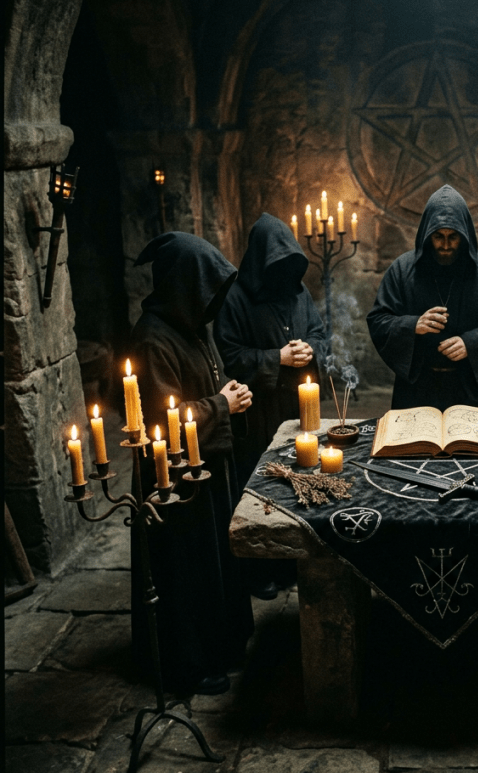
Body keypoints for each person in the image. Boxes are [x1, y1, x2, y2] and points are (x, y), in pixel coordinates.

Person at [129, 231, 254, 695]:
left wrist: (229, 395)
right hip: (174, 479)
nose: (212, 302)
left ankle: (221, 643)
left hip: (208, 465)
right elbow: (162, 421)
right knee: (184, 569)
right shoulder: (152, 339)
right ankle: (188, 662)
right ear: (183, 285)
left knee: (213, 561)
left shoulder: (192, 327)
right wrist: (222, 405)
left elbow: (206, 383)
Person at [214, 212, 328, 599]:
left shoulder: (298, 291)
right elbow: (229, 355)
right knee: (262, 488)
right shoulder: (235, 297)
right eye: (275, 265)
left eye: (288, 264)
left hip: (296, 407)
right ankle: (259, 571)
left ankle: (291, 563)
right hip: (259, 412)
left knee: (297, 480)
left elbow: (318, 332)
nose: (282, 273)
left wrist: (310, 349)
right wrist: (276, 358)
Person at [367, 184, 478, 411]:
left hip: (470, 391)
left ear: (464, 235)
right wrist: (413, 325)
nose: (446, 245)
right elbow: (378, 320)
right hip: (416, 391)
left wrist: (472, 344)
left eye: (453, 237)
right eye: (438, 236)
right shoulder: (402, 270)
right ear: (427, 234)